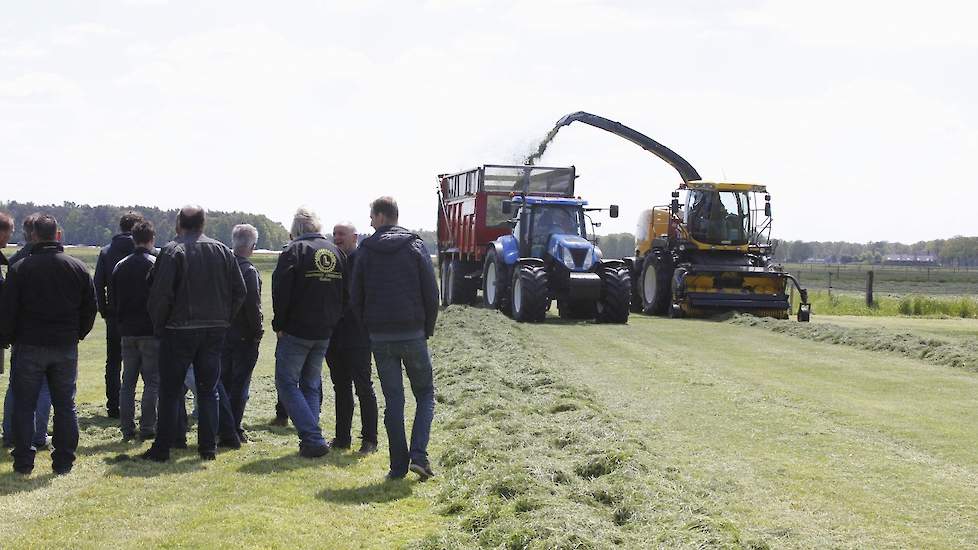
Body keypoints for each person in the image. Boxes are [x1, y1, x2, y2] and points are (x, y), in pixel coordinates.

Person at [142, 206, 246, 462]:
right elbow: (239, 291)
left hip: (178, 330)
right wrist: (224, 319)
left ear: (179, 223)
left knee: (170, 390)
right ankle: (207, 448)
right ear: (203, 223)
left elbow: (160, 295)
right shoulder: (222, 250)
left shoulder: (172, 250)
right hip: (213, 330)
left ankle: (163, 447)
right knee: (208, 390)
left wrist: (160, 326)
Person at [0, 214, 97, 475]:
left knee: (24, 405)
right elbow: (90, 308)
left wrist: (7, 338)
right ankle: (64, 461)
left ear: (34, 236)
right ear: (57, 235)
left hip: (29, 344)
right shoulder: (78, 268)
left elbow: (8, 310)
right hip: (65, 345)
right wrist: (78, 334)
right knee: (66, 405)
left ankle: (23, 461)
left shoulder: (20, 269)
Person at [351, 196, 438, 481]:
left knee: (394, 402)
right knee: (425, 394)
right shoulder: (414, 245)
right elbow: (431, 291)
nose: (370, 222)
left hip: (380, 336)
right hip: (412, 332)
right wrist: (427, 327)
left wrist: (368, 328)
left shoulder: (366, 249)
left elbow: (356, 296)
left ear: (381, 216)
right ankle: (419, 455)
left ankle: (398, 466)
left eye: (371, 216)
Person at [272, 207, 347, 458]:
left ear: (295, 229)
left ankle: (313, 438)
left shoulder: (292, 251)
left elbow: (281, 291)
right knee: (311, 384)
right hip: (325, 330)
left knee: (286, 383)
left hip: (296, 330)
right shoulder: (335, 251)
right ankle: (311, 438)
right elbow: (344, 293)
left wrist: (279, 325)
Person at [1, 213, 53, 450]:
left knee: (15, 385)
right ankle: (38, 436)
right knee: (43, 387)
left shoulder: (14, 262)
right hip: (50, 335)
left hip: (22, 334)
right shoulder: (57, 259)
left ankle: (11, 434)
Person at [325, 221, 377, 454]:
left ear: (354, 237)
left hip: (358, 335)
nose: (337, 238)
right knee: (340, 387)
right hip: (335, 336)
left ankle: (370, 440)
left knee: (363, 387)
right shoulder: (331, 262)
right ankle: (342, 437)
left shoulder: (362, 262)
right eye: (334, 234)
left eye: (341, 234)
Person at [108, 220, 159, 441]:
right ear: (151, 239)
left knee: (127, 383)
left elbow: (114, 299)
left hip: (127, 331)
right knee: (152, 381)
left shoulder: (120, 265)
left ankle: (126, 427)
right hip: (150, 330)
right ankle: (147, 426)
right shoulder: (155, 264)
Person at [216, 224, 264, 447]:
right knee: (240, 384)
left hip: (222, 332)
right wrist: (257, 331)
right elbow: (252, 304)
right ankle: (233, 428)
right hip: (244, 335)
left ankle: (221, 425)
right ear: (252, 247)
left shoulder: (221, 266)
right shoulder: (248, 271)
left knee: (223, 383)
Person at [94, 212, 142, 419]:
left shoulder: (106, 252)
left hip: (115, 315)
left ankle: (114, 405)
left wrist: (104, 309)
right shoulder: (144, 251)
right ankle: (145, 408)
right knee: (145, 364)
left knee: (113, 362)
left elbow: (97, 284)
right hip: (142, 316)